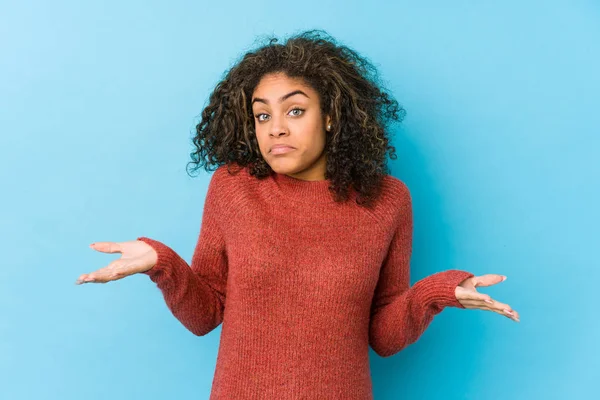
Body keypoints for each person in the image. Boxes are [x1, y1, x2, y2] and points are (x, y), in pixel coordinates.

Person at [75, 29, 520, 399]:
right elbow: (205, 314)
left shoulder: (388, 200)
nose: (277, 128)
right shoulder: (234, 188)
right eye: (262, 115)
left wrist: (435, 293)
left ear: (330, 116)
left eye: (294, 110)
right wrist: (162, 263)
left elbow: (382, 336)